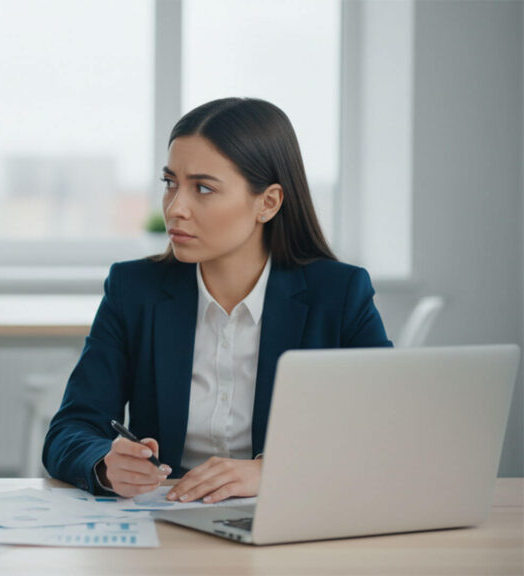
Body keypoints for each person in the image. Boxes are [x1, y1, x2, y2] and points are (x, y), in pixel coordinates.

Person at [43, 97, 391, 502]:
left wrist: (274, 471)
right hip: (167, 517)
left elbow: (385, 433)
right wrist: (105, 463)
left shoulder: (339, 294)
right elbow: (70, 429)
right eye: (170, 183)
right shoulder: (134, 289)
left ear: (268, 202)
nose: (176, 208)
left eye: (203, 188)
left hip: (286, 517)